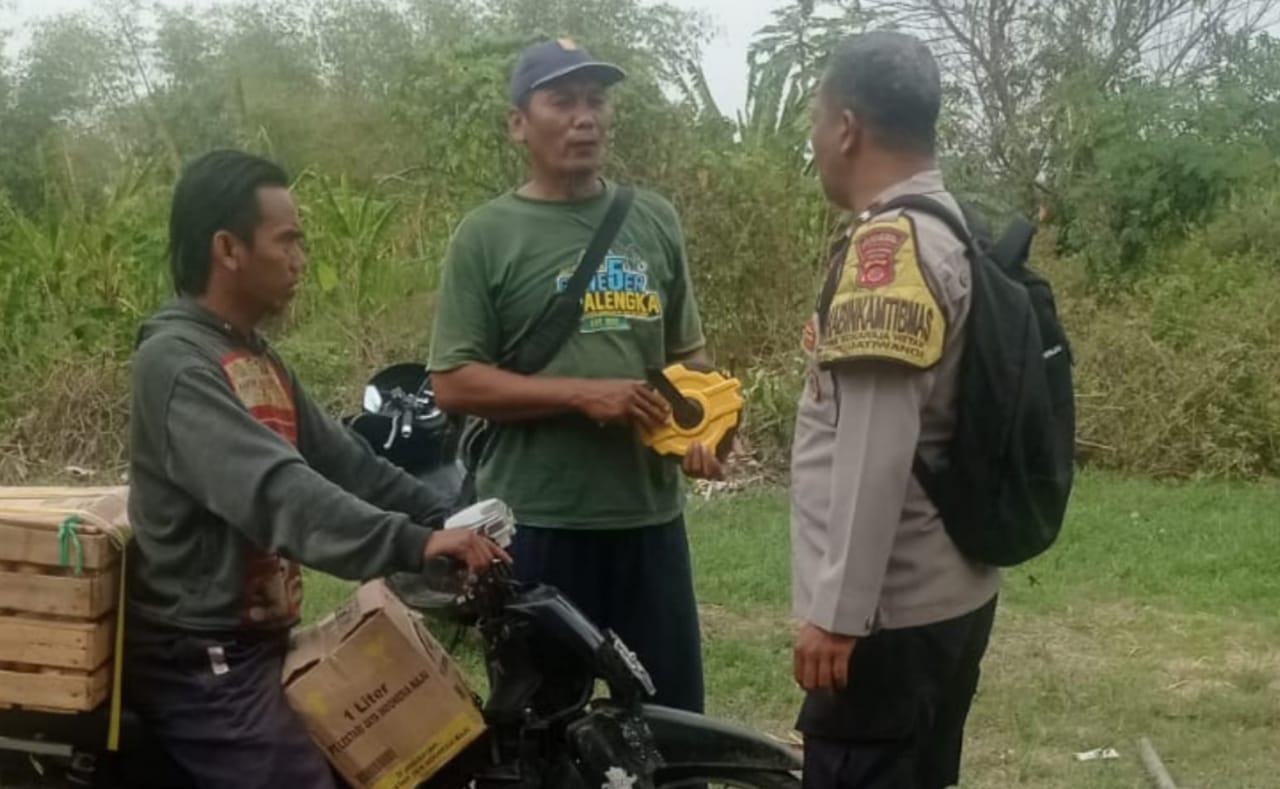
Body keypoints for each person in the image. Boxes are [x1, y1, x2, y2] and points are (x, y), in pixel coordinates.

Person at [123, 148, 509, 788]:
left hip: (259, 642)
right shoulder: (176, 363)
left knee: (431, 741)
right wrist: (414, 543)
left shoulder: (254, 355)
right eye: (287, 240)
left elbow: (346, 462)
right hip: (202, 661)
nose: (300, 259)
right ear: (228, 249)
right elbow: (279, 490)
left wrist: (443, 515)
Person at [428, 38, 722, 714]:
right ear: (518, 123)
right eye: (562, 101)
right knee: (542, 728)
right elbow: (453, 382)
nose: (585, 117)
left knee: (671, 722)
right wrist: (583, 395)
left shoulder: (654, 219)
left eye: (597, 100)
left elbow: (690, 362)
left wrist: (706, 430)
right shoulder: (486, 234)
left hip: (649, 520)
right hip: (536, 526)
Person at [789, 32, 1000, 788]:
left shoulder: (892, 249)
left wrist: (838, 614)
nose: (816, 140)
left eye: (816, 120)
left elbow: (876, 444)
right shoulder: (954, 225)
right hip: (952, 588)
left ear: (846, 127)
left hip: (888, 615)